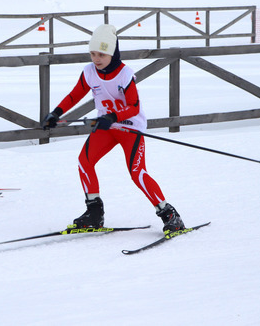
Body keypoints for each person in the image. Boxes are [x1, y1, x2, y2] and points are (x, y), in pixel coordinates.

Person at [41, 24, 185, 233]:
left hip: (129, 129)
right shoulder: (90, 72)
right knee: (85, 161)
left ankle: (169, 214)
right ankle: (94, 213)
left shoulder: (124, 74)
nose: (96, 59)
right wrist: (56, 112)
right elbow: (75, 95)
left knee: (137, 173)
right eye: (92, 54)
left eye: (102, 54)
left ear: (113, 53)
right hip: (106, 127)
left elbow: (133, 106)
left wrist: (114, 116)